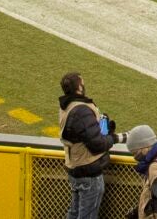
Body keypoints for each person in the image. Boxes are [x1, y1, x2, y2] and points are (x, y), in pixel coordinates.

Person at [57, 71, 117, 219]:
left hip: (75, 167)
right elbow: (97, 143)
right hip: (88, 171)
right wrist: (113, 138)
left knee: (74, 212)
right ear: (79, 88)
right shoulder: (81, 110)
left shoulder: (66, 106)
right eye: (82, 83)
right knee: (86, 215)